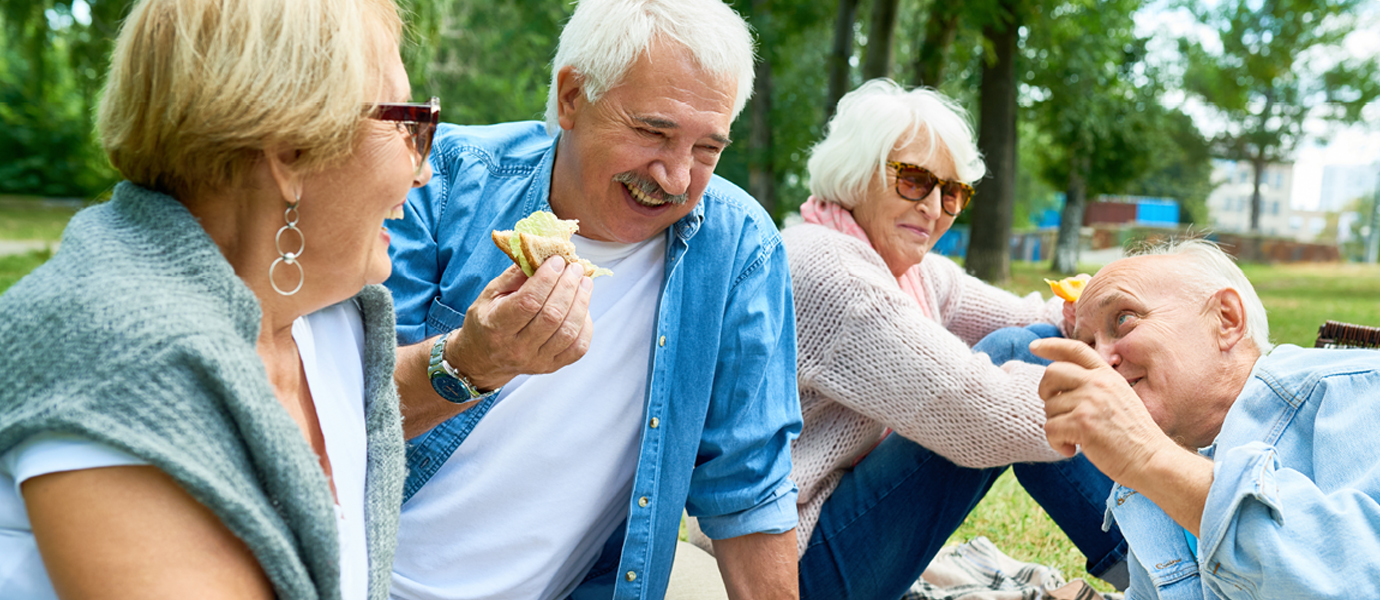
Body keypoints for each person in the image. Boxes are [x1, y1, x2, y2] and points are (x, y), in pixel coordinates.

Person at [0, 0, 429, 598]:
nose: (422, 171)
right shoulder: (118, 352)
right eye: (410, 124)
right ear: (291, 151)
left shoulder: (330, 323)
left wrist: (480, 360)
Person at [382, 0, 801, 599]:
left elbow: (749, 488)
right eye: (653, 132)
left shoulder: (739, 250)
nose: (676, 178)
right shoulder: (437, 180)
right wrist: (469, 363)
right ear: (573, 97)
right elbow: (333, 409)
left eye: (707, 149)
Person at [761, 79, 1127, 599]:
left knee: (1036, 341)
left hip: (831, 533)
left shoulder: (908, 270)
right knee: (1027, 357)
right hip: (787, 566)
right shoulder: (829, 270)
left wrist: (1112, 320)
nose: (934, 207)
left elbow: (1038, 317)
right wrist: (1119, 395)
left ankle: (1154, 567)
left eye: (952, 192)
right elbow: (983, 416)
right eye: (913, 180)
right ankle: (1161, 572)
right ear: (856, 173)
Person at [1033, 239, 1380, 599]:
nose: (1101, 363)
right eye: (1087, 346)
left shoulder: (1358, 392)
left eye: (1124, 319)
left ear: (1226, 319)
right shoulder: (1146, 486)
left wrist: (1150, 458)